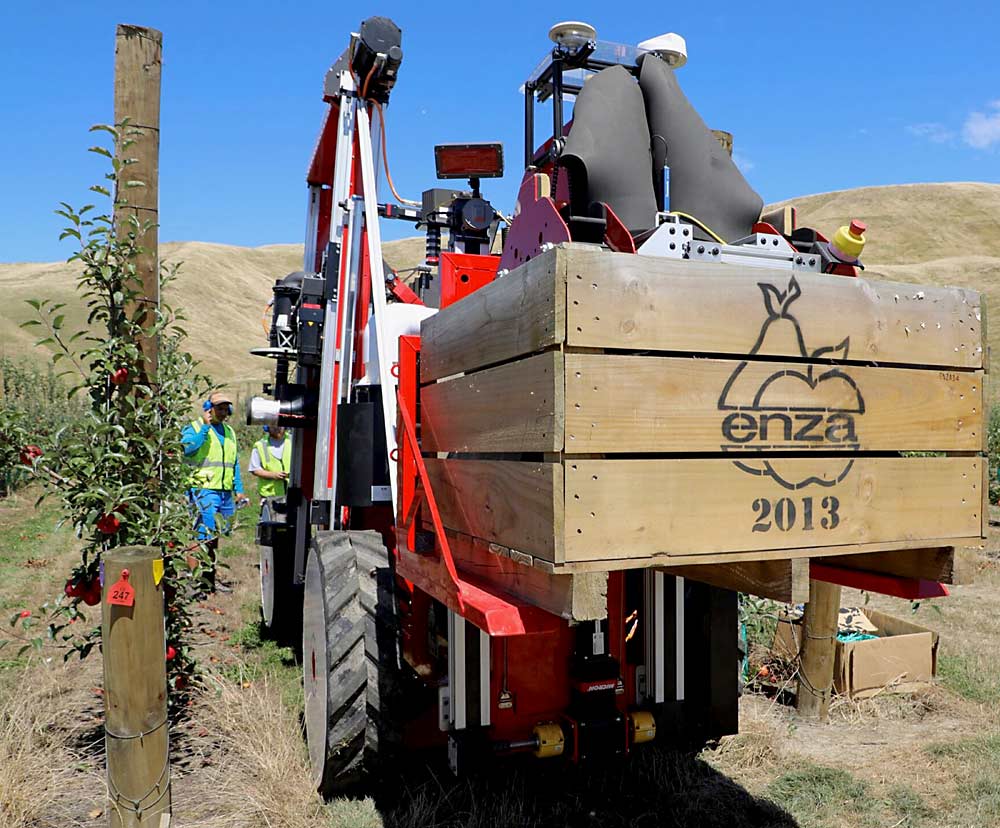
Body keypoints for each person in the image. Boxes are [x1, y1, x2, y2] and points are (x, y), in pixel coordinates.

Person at [182, 391, 249, 592]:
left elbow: (234, 462)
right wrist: (204, 427)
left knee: (215, 536)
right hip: (203, 489)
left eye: (225, 408)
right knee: (201, 536)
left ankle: (209, 580)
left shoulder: (229, 432)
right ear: (208, 408)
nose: (222, 411)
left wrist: (239, 489)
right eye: (218, 407)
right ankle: (193, 582)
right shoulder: (194, 427)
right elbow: (188, 449)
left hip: (224, 491)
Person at [248, 424, 292, 499]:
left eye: (280, 425)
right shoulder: (261, 445)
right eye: (274, 425)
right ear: (267, 427)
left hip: (292, 492)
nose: (277, 428)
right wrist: (273, 475)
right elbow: (254, 469)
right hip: (269, 494)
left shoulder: (293, 441)